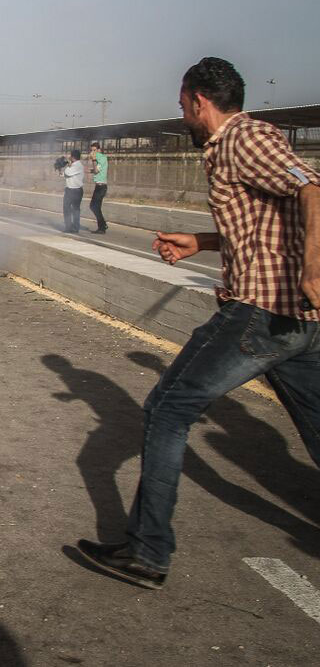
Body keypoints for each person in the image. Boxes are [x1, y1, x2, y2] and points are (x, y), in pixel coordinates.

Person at [75, 57, 320, 590]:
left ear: (199, 101)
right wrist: (202, 242)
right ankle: (145, 546)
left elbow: (312, 189)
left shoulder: (243, 138)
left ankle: (147, 552)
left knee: (168, 408)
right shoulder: (233, 147)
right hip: (293, 324)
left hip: (261, 310)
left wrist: (313, 270)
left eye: (182, 105)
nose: (181, 114)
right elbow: (265, 222)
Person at [61, 148, 85, 233]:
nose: (69, 158)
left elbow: (68, 172)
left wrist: (68, 165)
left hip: (73, 191)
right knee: (74, 209)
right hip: (74, 190)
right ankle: (73, 227)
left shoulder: (77, 165)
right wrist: (60, 170)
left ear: (73, 157)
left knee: (69, 209)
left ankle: (71, 227)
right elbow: (65, 175)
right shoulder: (75, 166)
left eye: (70, 156)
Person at [88, 141, 109, 233]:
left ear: (99, 150)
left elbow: (96, 170)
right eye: (92, 151)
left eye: (95, 150)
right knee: (96, 207)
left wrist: (93, 160)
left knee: (93, 206)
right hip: (99, 186)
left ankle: (103, 225)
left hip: (101, 187)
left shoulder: (102, 158)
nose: (93, 153)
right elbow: (97, 170)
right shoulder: (100, 159)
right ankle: (102, 227)